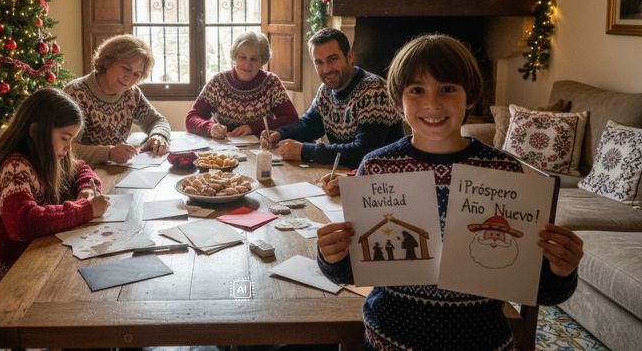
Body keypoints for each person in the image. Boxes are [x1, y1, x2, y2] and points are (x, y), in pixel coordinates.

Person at [316, 34, 583, 350]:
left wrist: (561, 271)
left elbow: (543, 291)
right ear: (398, 100)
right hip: (391, 339)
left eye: (447, 88)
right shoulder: (377, 167)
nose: (432, 103)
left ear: (469, 97)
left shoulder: (504, 173)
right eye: (416, 90)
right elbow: (351, 270)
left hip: (481, 340)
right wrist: (331, 257)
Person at [0, 88, 110, 298]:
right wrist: (86, 210)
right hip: (10, 284)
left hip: (34, 260)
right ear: (35, 131)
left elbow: (80, 167)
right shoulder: (14, 167)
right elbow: (23, 223)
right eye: (65, 138)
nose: (68, 147)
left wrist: (85, 187)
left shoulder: (45, 153)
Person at [261, 27, 403, 169]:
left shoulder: (375, 91)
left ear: (350, 56)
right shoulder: (325, 90)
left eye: (332, 59)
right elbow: (309, 125)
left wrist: (304, 151)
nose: (326, 69)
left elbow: (363, 152)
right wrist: (280, 134)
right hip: (347, 175)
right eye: (319, 62)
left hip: (382, 182)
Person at [64, 35, 171, 165]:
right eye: (126, 68)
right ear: (108, 62)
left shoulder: (132, 94)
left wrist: (159, 136)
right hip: (81, 175)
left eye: (137, 74)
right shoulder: (76, 93)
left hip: (115, 171)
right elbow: (67, 147)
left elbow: (157, 121)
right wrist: (108, 153)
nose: (129, 79)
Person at [185, 31, 299, 138]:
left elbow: (291, 119)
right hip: (222, 149)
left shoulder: (271, 82)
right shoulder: (218, 82)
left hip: (260, 148)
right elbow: (191, 118)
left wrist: (254, 127)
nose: (247, 64)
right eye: (242, 57)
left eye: (254, 59)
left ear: (262, 61)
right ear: (234, 57)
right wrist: (210, 128)